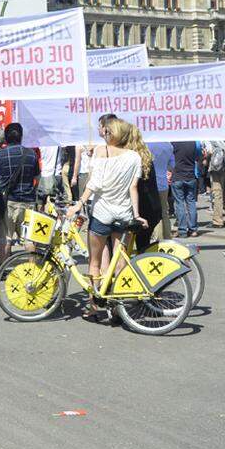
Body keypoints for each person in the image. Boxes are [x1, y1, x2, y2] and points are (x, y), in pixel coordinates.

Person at [66, 119, 148, 317]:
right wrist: (136, 214)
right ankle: (119, 308)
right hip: (124, 213)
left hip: (102, 212)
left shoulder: (102, 151)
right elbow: (133, 188)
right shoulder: (134, 156)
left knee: (95, 261)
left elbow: (94, 184)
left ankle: (94, 307)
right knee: (119, 262)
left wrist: (79, 203)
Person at [0, 122, 38, 262]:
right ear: (21, 136)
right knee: (29, 239)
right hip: (28, 202)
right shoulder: (31, 154)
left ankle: (2, 269)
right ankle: (33, 269)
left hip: (7, 202)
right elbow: (37, 178)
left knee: (6, 238)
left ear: (6, 137)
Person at [129, 128, 164, 253]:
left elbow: (134, 187)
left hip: (140, 207)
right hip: (152, 207)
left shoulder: (130, 158)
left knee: (122, 246)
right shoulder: (146, 155)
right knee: (143, 245)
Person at [169, 140, 201, 237]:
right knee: (191, 202)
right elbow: (199, 157)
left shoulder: (174, 143)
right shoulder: (194, 143)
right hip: (190, 175)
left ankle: (182, 230)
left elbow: (169, 158)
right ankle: (193, 229)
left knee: (179, 203)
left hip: (177, 175)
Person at [204, 139, 225, 227]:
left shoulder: (208, 139)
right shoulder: (222, 139)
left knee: (217, 194)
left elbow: (209, 151)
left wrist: (206, 160)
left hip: (216, 169)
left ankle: (218, 220)